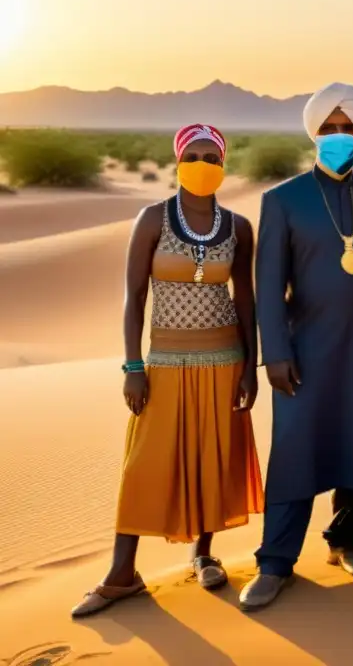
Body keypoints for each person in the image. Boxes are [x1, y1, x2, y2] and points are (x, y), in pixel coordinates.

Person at [72, 124, 264, 618]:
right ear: (179, 161)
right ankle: (122, 572)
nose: (204, 165)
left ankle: (202, 553)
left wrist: (251, 367)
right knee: (145, 463)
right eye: (195, 156)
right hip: (163, 363)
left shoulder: (238, 226)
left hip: (225, 361)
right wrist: (133, 366)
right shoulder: (153, 219)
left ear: (224, 165)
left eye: (214, 158)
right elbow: (133, 297)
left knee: (212, 457)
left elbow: (246, 299)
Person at [239, 83, 353, 611]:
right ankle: (275, 562)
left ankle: (345, 540)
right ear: (313, 134)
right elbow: (268, 284)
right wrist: (275, 353)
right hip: (304, 351)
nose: (336, 137)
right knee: (296, 451)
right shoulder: (282, 200)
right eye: (327, 129)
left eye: (346, 128)